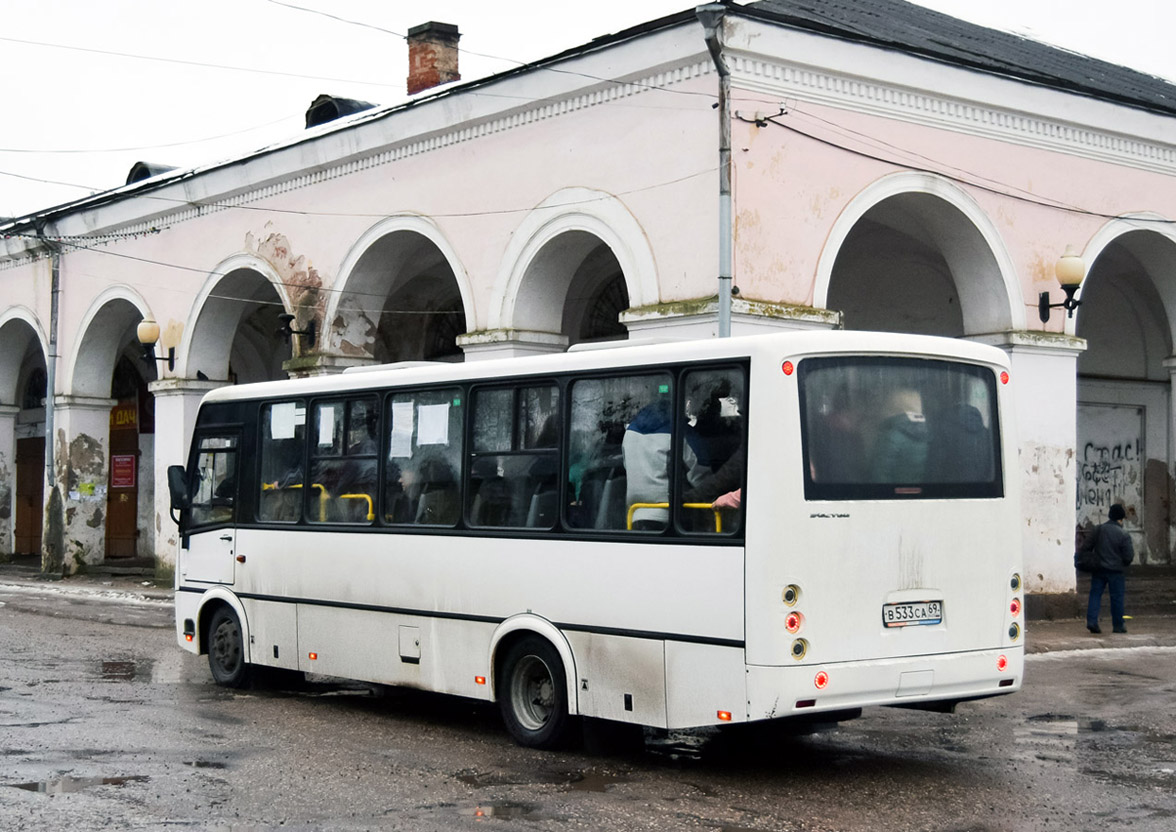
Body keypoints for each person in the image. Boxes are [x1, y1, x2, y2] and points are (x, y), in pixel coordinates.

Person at [1079, 503, 1135, 634]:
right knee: (1117, 598)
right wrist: (1121, 563)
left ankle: (1092, 621)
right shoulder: (1123, 535)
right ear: (1120, 519)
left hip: (1098, 569)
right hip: (1116, 572)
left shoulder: (1098, 530)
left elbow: (1085, 547)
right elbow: (1128, 557)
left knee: (1095, 595)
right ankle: (1118, 625)